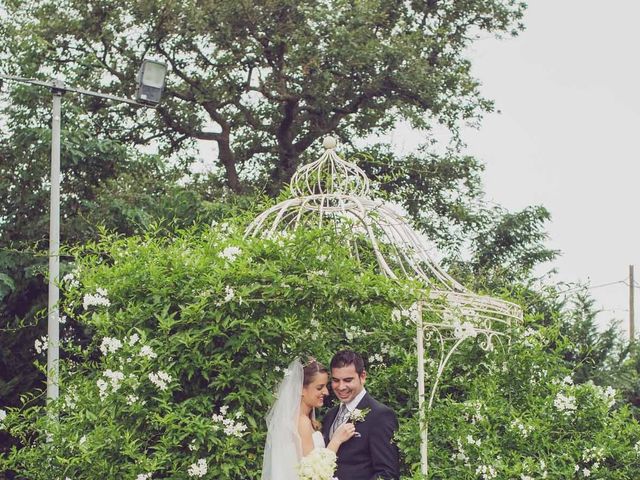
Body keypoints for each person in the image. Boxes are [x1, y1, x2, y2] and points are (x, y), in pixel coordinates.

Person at [261, 358, 355, 480]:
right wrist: (336, 440)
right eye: (319, 387)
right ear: (301, 390)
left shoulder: (300, 419)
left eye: (325, 386)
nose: (326, 392)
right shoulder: (302, 422)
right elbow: (313, 472)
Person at [322, 350, 400, 480]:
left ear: (362, 376)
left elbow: (388, 474)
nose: (341, 387)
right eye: (336, 380)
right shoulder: (330, 416)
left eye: (348, 380)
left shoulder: (380, 416)